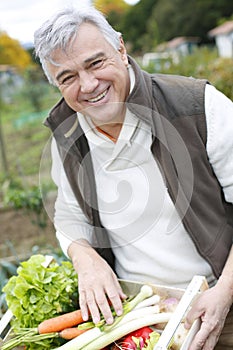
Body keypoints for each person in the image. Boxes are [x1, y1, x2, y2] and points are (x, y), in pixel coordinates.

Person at [34, 7, 233, 349]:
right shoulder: (67, 140)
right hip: (137, 322)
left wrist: (224, 293)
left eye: (95, 63)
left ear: (121, 49)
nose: (88, 85)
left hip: (218, 309)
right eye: (68, 77)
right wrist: (86, 258)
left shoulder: (199, 107)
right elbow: (70, 218)